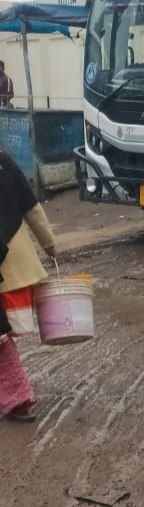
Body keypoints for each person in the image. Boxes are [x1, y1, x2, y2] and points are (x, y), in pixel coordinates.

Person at [0, 149, 57, 423]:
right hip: (15, 264)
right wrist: (49, 244)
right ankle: (16, 398)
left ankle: (18, 398)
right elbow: (31, 207)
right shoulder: (4, 160)